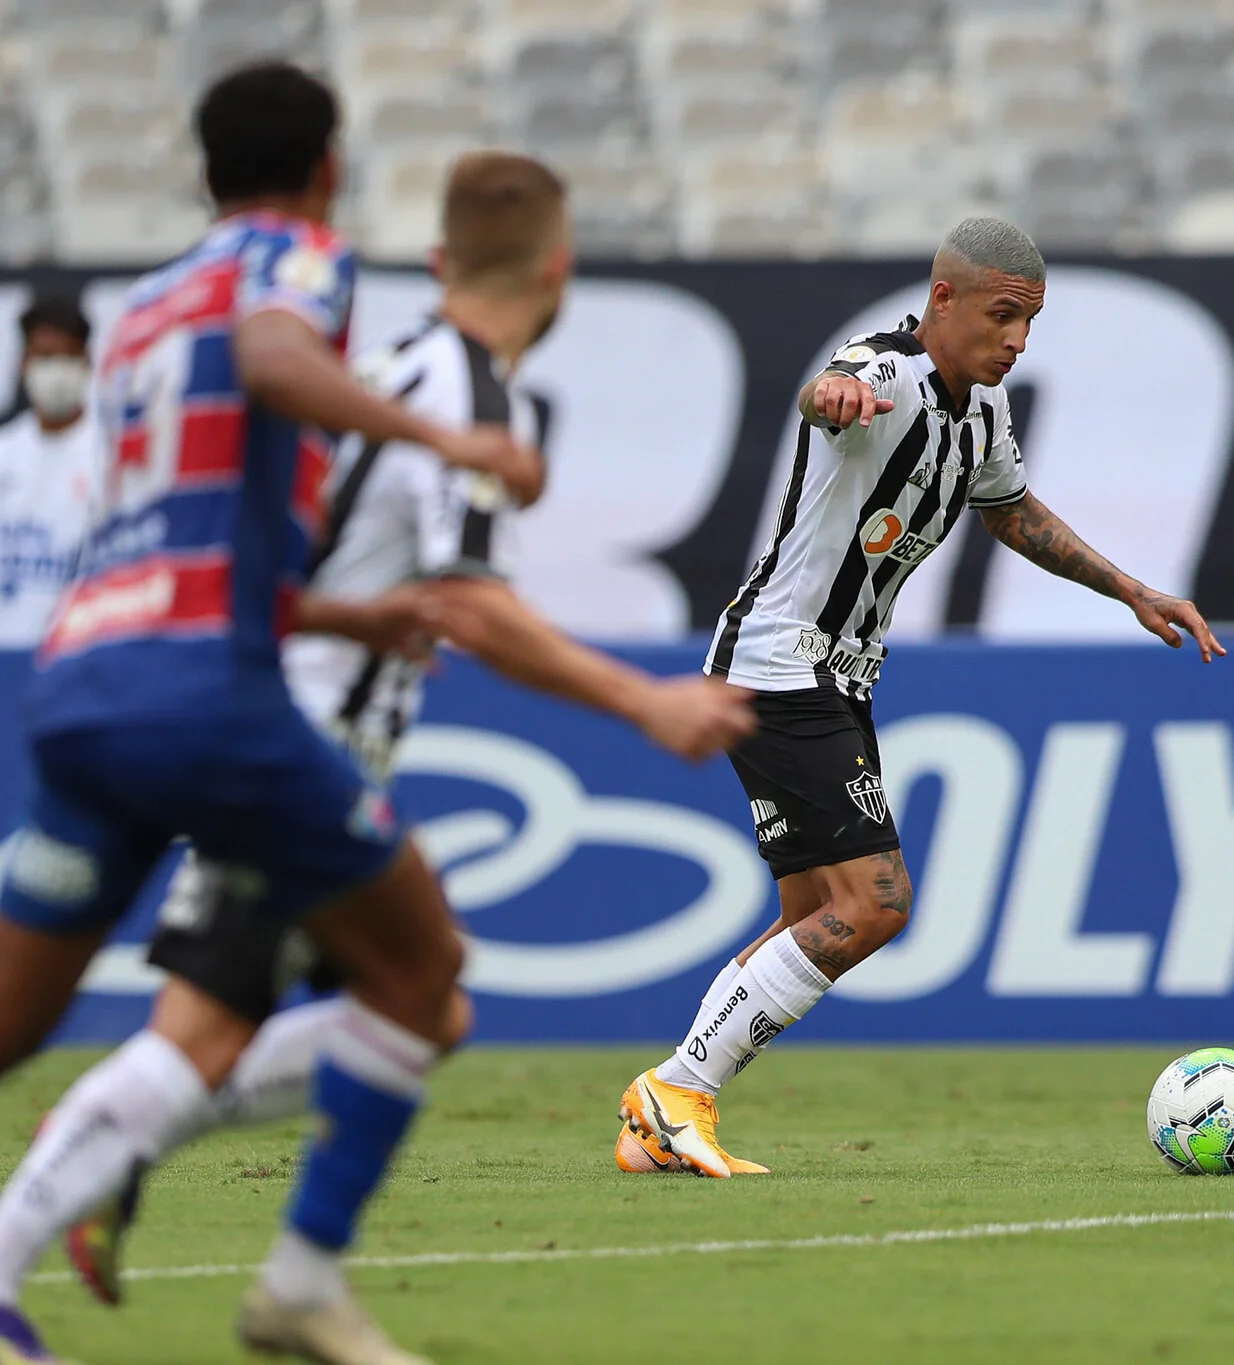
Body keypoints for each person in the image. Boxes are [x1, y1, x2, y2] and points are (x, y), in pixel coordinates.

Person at [0, 149, 757, 1328]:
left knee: (422, 997)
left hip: (240, 703)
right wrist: (643, 701)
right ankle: (115, 1176)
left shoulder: (384, 371)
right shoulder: (464, 394)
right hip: (283, 739)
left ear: (440, 259)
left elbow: (298, 571)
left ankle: (168, 1174)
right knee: (250, 1024)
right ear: (557, 268)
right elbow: (469, 604)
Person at [0, 62, 545, 1365]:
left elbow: (168, 531)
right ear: (328, 167)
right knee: (420, 976)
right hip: (214, 703)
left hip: (82, 684)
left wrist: (347, 615)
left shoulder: (138, 310)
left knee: (14, 1026)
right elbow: (275, 352)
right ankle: (300, 1281)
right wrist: (454, 445)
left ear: (201, 170)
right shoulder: (294, 261)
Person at [613, 216, 1226, 1178]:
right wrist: (832, 392)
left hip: (833, 676)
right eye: (1004, 315)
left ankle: (669, 1113)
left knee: (816, 909)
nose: (1019, 340)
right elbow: (832, 388)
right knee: (879, 900)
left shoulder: (981, 412)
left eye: (1032, 321)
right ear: (944, 300)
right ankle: (675, 1088)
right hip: (786, 666)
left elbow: (1014, 512)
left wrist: (1134, 591)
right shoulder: (885, 372)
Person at [0, 296, 102, 646]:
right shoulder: (5, 451)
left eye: (67, 356)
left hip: (75, 657)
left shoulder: (109, 453)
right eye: (44, 356)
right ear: (23, 362)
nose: (55, 370)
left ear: (87, 361)